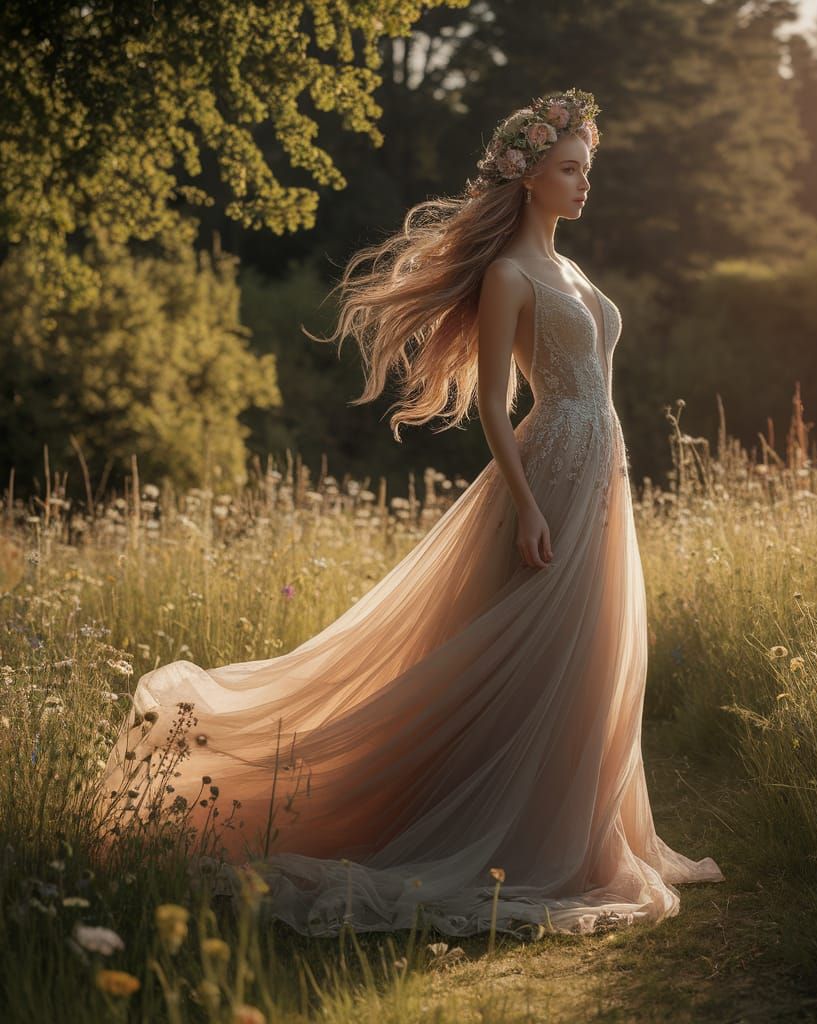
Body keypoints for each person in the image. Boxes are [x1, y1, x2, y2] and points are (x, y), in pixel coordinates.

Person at [96, 87, 724, 938]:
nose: (584, 185)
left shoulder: (572, 269)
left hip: (602, 471)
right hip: (551, 476)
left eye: (588, 170)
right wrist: (529, 505)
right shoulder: (509, 274)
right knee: (544, 655)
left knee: (593, 655)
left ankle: (588, 831)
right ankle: (519, 840)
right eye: (569, 170)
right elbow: (499, 407)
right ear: (529, 176)